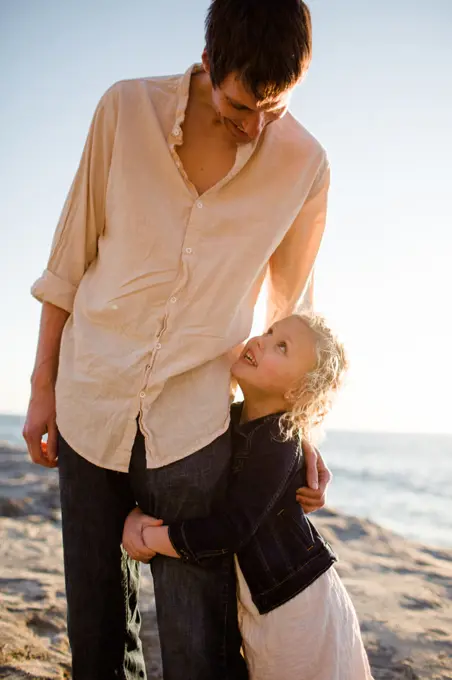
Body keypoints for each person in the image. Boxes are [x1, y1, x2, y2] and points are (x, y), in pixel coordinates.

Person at [23, 1, 333, 678]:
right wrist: (41, 387)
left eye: (273, 108)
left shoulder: (305, 164)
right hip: (90, 401)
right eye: (241, 104)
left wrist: (306, 434)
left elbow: (294, 315)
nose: (255, 127)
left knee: (199, 648)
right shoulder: (123, 110)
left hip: (194, 429)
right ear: (208, 62)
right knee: (98, 635)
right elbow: (68, 262)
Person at [123, 313, 374, 680]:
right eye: (270, 332)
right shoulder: (232, 419)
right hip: (266, 600)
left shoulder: (277, 441)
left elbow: (233, 527)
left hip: (295, 602)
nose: (260, 340)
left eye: (281, 347)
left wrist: (152, 538)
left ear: (297, 393)